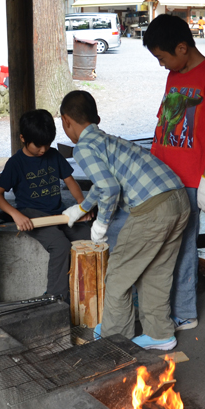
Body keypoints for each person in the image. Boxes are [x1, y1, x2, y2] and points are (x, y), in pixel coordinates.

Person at [60, 91, 190, 350]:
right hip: (178, 199)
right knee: (155, 271)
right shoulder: (106, 140)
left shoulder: (83, 147)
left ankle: (115, 338)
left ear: (66, 121)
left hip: (152, 209)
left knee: (118, 274)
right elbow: (105, 181)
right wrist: (82, 207)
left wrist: (101, 224)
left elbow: (108, 188)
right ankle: (159, 333)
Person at [143, 14, 205, 331]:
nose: (161, 64)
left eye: (162, 57)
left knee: (183, 247)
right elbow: (163, 125)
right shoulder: (174, 75)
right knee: (163, 243)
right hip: (165, 176)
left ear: (182, 48)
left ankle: (185, 312)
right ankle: (163, 305)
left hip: (192, 180)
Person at [0, 109, 92, 298]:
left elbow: (70, 181)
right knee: (60, 245)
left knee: (87, 236)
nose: (43, 150)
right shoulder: (15, 163)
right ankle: (56, 298)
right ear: (23, 138)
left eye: (47, 144)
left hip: (58, 212)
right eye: (38, 145)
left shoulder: (53, 155)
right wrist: (16, 214)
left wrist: (82, 205)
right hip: (32, 214)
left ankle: (86, 291)